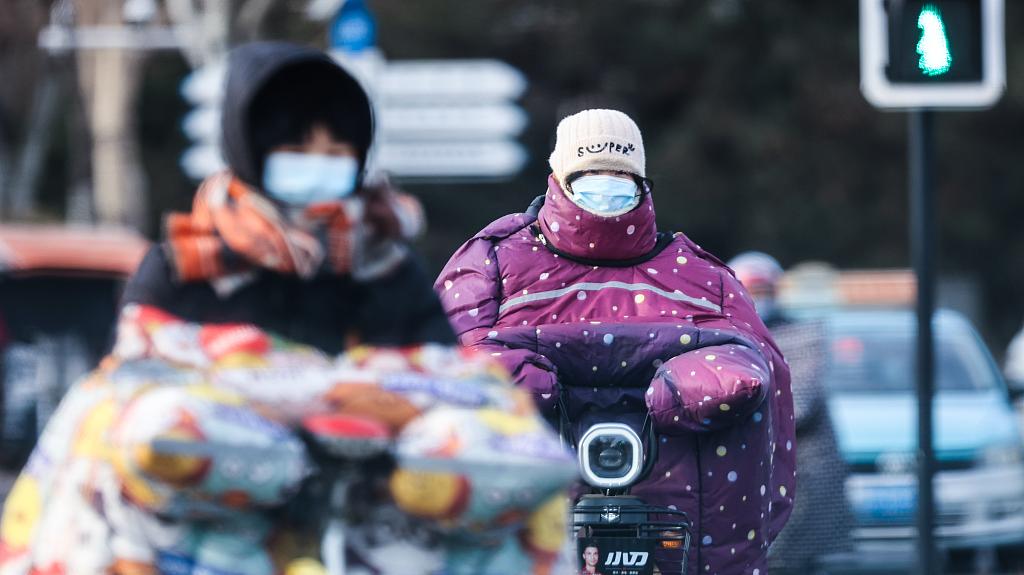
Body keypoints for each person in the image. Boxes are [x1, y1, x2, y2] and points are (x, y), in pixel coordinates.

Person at [435, 109, 795, 574]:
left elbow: (763, 379)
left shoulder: (702, 277)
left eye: (621, 180)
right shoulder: (494, 263)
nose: (605, 197)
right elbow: (442, 373)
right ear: (558, 177)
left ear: (643, 183)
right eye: (588, 179)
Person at [121, 41, 455, 353]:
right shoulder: (185, 268)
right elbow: (134, 378)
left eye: (337, 154)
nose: (318, 166)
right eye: (296, 151)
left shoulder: (387, 269)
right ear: (248, 152)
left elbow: (442, 371)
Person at [728, 251, 854, 574]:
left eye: (763, 291)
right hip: (747, 476)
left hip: (804, 476)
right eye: (749, 290)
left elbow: (801, 405)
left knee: (796, 562)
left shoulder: (806, 334)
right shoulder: (726, 337)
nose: (757, 299)